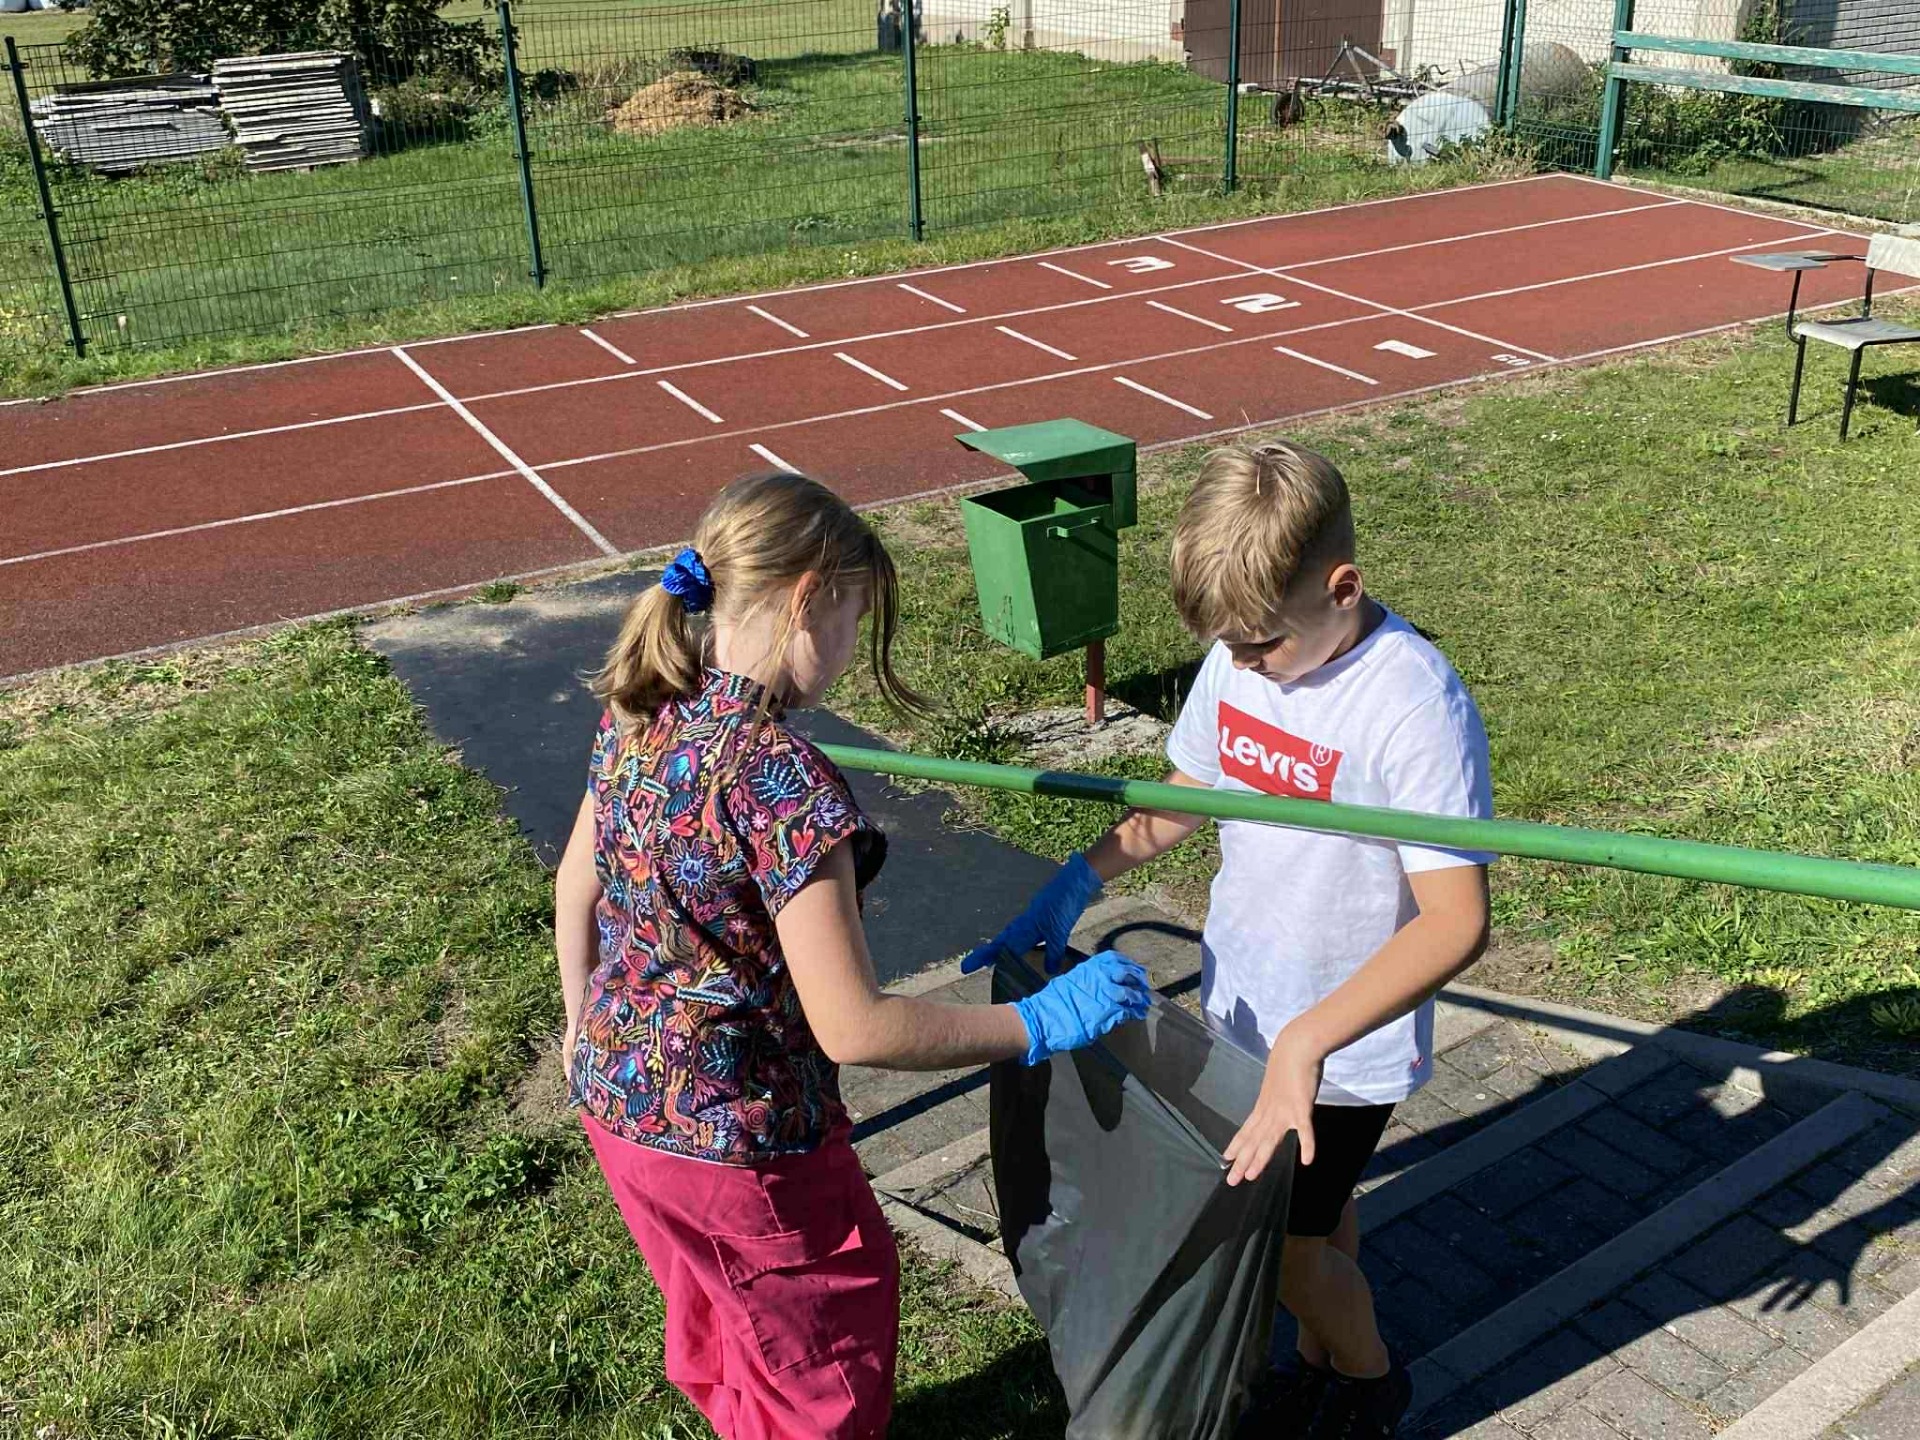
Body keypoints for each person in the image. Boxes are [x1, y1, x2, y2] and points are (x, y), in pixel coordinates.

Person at [552, 471, 1152, 1440]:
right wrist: (1038, 1022)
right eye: (853, 617)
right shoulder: (783, 784)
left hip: (621, 1114)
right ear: (807, 600)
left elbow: (572, 886)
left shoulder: (640, 713)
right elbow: (856, 1026)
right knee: (825, 1356)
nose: (848, 649)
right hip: (745, 1147)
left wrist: (582, 1022)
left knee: (727, 1323)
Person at [967, 441, 1493, 1439]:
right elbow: (1189, 794)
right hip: (1247, 1004)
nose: (1242, 668)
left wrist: (1305, 1045)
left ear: (1343, 588)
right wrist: (1077, 880)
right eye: (1230, 649)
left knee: (1282, 1251)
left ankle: (1372, 1384)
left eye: (1260, 647)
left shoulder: (1414, 705)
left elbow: (1457, 919)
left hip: (1340, 1046)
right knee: (1315, 1220)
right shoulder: (1239, 654)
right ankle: (1321, 1362)